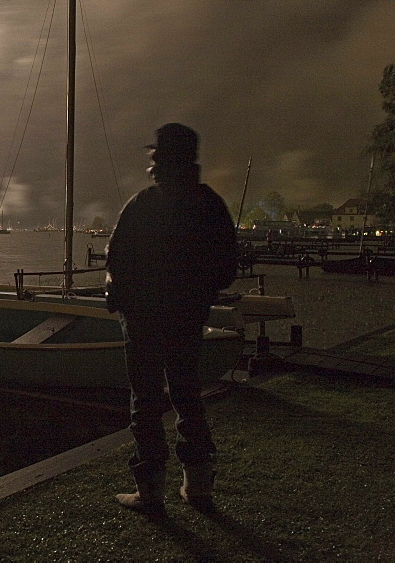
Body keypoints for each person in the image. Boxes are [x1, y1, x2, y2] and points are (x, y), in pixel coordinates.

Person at [104, 123, 238, 513]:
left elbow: (114, 259)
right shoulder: (210, 205)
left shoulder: (143, 204)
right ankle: (196, 486)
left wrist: (120, 292)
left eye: (158, 159)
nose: (154, 167)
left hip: (144, 322)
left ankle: (150, 491)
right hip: (185, 318)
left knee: (145, 402)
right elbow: (226, 269)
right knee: (186, 396)